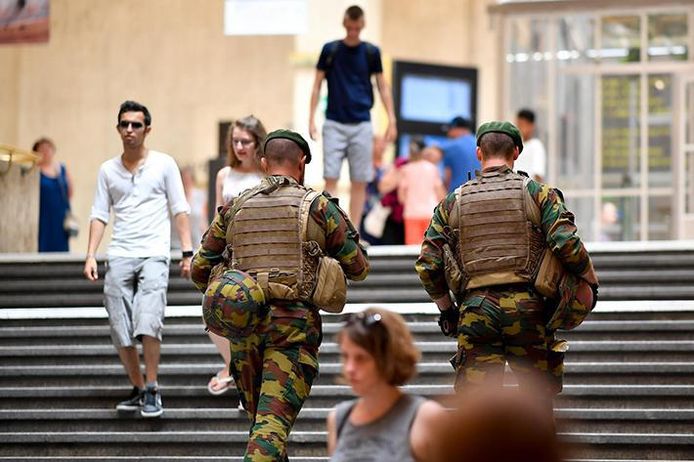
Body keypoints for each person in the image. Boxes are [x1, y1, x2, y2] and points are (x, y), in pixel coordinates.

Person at [191, 129, 369, 461]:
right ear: (302, 164)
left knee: (265, 427)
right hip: (292, 330)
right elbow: (358, 267)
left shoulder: (235, 206)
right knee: (270, 430)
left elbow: (200, 267)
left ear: (262, 162)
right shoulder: (316, 206)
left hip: (243, 331)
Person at [415, 121, 599, 408]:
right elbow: (567, 244)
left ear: (479, 153)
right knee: (536, 406)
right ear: (516, 152)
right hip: (528, 310)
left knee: (476, 414)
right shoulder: (537, 194)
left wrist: (447, 310)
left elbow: (428, 263)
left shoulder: (452, 202)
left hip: (475, 311)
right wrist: (590, 280)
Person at [83, 100, 193, 418]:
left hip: (155, 253)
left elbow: (179, 208)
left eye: (136, 124)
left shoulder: (164, 164)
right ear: (118, 128)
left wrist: (187, 252)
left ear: (147, 129)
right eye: (124, 124)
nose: (129, 130)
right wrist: (91, 254)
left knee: (148, 319)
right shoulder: (108, 170)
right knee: (119, 323)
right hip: (119, 253)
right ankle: (138, 386)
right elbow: (99, 214)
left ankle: (153, 387)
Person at [308, 4, 397, 230]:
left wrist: (391, 120)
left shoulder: (370, 52)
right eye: (350, 27)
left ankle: (354, 231)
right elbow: (317, 85)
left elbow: (382, 86)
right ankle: (331, 229)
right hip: (334, 121)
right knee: (331, 177)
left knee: (360, 179)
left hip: (361, 122)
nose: (353, 31)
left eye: (357, 28)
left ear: (362, 25)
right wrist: (311, 119)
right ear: (345, 24)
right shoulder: (331, 50)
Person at [327, 307, 446, 462]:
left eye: (361, 358)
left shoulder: (426, 417)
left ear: (388, 359)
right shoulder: (338, 419)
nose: (349, 368)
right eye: (345, 356)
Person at [207, 115, 267, 396]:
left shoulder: (266, 173)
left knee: (254, 314)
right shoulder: (224, 174)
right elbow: (217, 214)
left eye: (246, 141)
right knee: (213, 312)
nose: (240, 146)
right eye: (236, 141)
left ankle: (250, 381)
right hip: (229, 251)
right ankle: (235, 368)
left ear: (258, 142)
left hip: (260, 250)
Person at [397, 142, 445, 245]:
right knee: (430, 247)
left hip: (412, 213)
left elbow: (401, 197)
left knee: (413, 250)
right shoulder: (432, 168)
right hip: (430, 212)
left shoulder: (406, 169)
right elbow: (440, 193)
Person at [34, 137, 73, 252]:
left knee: (61, 245)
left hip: (60, 215)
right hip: (43, 214)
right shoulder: (34, 170)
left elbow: (70, 190)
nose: (46, 151)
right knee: (43, 243)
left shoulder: (61, 168)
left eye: (48, 148)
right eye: (42, 149)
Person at [431, 116, 480, 193]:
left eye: (449, 130)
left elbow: (447, 177)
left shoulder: (450, 146)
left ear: (456, 128)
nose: (448, 134)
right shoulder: (480, 143)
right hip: (479, 193)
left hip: (458, 196)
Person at [515, 108, 547, 182]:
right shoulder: (514, 146)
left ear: (531, 126)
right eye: (518, 125)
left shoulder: (536, 146)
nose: (519, 128)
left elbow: (538, 175)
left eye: (522, 125)